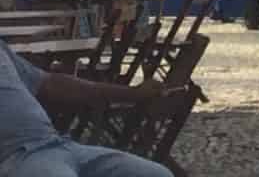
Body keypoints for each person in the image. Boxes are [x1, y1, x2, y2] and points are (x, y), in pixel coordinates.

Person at [0, 37, 175, 175]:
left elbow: (49, 82)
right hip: (15, 156)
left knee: (158, 174)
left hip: (56, 143)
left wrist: (133, 93)